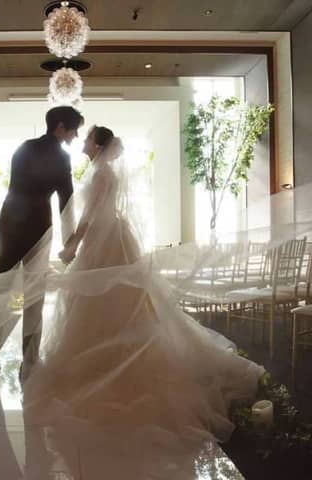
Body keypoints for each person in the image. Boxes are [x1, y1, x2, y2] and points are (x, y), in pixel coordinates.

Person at [22, 126, 265, 478]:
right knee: (113, 305)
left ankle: (106, 362)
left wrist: (73, 243)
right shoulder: (104, 171)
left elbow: (91, 215)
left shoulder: (100, 173)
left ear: (98, 145)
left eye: (88, 138)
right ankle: (112, 355)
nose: (84, 142)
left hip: (104, 242)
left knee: (102, 303)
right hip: (113, 238)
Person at [0, 106, 84, 378]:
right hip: (38, 228)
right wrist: (70, 243)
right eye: (74, 130)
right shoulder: (62, 157)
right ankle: (29, 363)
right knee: (34, 296)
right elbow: (66, 203)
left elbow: (14, 187)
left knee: (0, 292)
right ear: (61, 127)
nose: (75, 136)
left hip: (9, 225)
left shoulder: (24, 147)